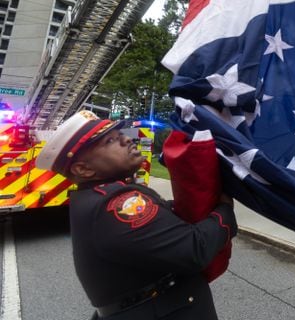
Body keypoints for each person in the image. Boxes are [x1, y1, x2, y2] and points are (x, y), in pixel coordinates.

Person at [35, 111, 238, 319]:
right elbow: (194, 249)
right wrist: (224, 209)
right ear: (83, 169)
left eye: (120, 133)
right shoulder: (116, 204)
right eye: (111, 141)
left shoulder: (99, 196)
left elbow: (158, 220)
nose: (126, 139)